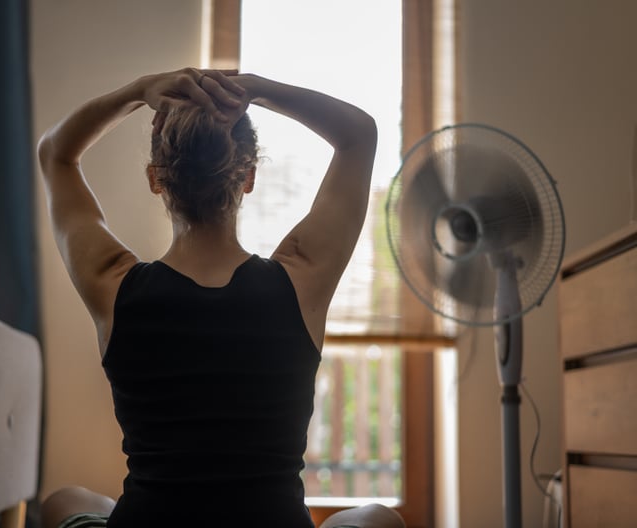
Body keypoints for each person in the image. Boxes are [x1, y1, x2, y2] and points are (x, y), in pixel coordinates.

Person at [37, 68, 404, 528]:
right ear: (248, 177)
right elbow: (358, 134)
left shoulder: (112, 281)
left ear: (156, 179)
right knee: (376, 517)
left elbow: (56, 155)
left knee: (64, 501)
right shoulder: (302, 276)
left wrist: (137, 91)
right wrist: (256, 87)